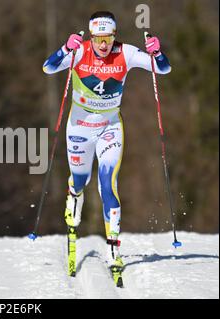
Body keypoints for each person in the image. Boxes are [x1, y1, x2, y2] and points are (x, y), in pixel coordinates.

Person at [42, 11, 171, 270]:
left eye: (108, 38)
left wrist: (158, 53)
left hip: (110, 127)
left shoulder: (126, 53)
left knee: (108, 185)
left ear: (115, 35)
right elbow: (48, 67)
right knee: (80, 180)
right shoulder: (80, 52)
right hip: (79, 127)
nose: (103, 45)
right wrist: (65, 48)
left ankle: (113, 249)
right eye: (98, 38)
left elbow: (163, 69)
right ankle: (73, 194)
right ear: (91, 36)